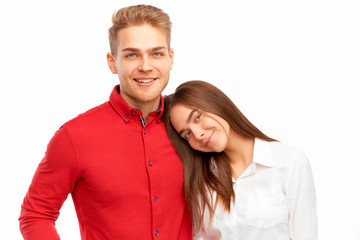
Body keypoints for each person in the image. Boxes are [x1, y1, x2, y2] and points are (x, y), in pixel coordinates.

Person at [19, 5, 192, 240]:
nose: (146, 66)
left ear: (170, 58)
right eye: (131, 54)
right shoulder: (74, 136)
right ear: (112, 62)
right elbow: (36, 215)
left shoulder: (192, 127)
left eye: (156, 53)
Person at [163, 80, 317, 240]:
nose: (197, 134)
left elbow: (305, 234)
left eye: (197, 117)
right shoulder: (201, 180)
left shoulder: (289, 162)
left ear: (216, 104)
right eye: (187, 134)